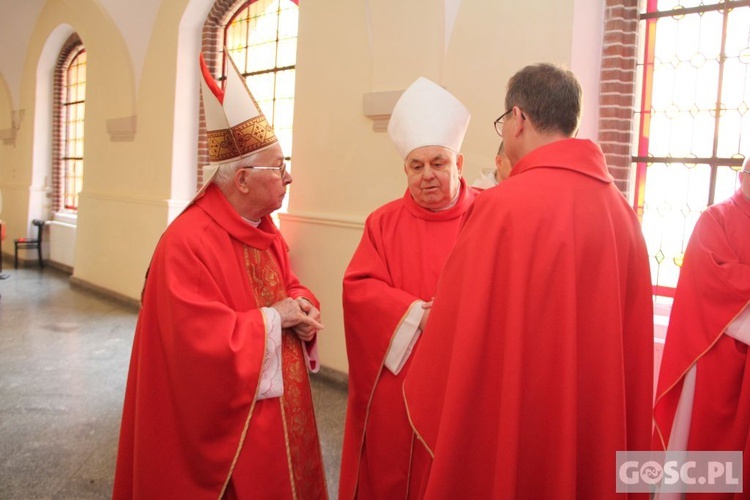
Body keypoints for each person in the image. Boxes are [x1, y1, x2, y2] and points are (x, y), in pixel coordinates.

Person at [402, 63, 654, 498]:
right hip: (595, 416)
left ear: (517, 120)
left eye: (504, 125)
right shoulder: (621, 213)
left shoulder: (501, 209)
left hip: (523, 417)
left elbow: (459, 331)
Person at [113, 52, 328, 499]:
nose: (288, 178)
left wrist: (302, 304)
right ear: (243, 179)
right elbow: (195, 345)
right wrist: (275, 319)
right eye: (279, 167)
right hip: (231, 430)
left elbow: (287, 285)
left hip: (280, 414)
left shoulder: (263, 228)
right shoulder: (187, 243)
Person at [338, 77, 480, 499]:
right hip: (398, 382)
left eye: (438, 163)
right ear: (405, 169)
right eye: (416, 167)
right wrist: (418, 314)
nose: (428, 176)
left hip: (465, 378)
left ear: (459, 163)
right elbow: (358, 290)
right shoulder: (382, 223)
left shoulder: (490, 217)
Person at [652, 162, 750, 486]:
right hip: (715, 359)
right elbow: (711, 284)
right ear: (742, 176)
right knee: (705, 466)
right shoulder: (716, 219)